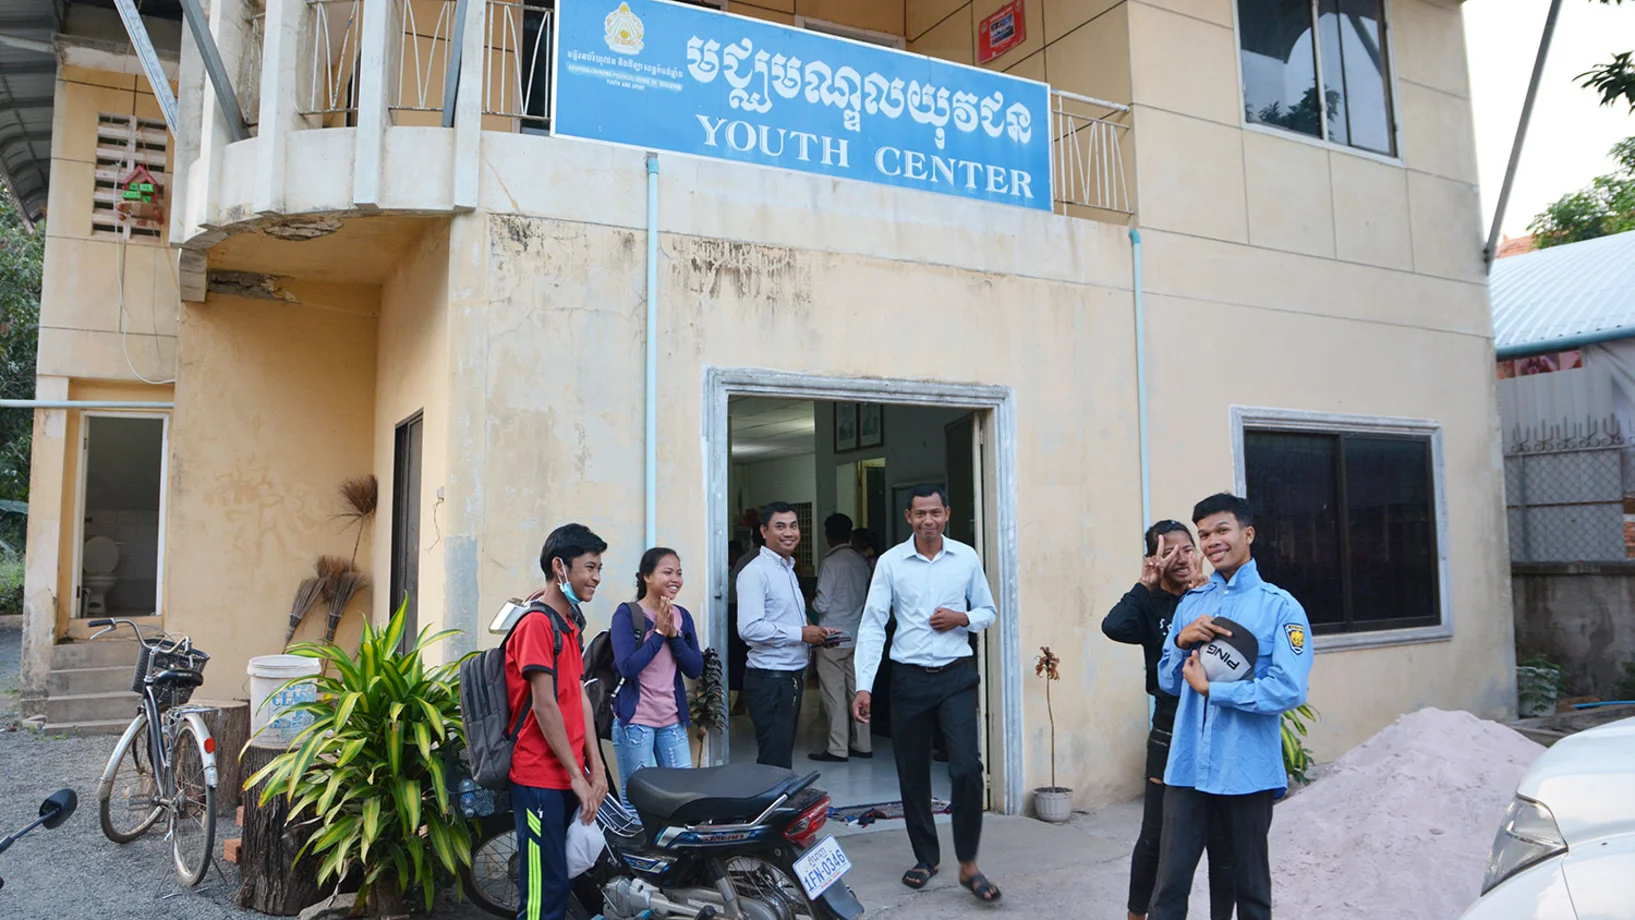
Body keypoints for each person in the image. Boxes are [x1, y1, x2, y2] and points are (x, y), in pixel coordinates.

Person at [1150, 494, 1313, 920]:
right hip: (1187, 767)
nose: (1211, 542)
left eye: (1221, 530)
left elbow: (1288, 689)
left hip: (1245, 770)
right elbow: (1168, 682)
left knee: (1250, 889)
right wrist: (1182, 640)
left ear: (1248, 533)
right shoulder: (1191, 603)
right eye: (1203, 534)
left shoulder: (1280, 607)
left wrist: (1215, 691)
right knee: (1169, 885)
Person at [853, 484, 1001, 903]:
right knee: (912, 772)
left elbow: (988, 611)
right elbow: (873, 623)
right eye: (920, 514)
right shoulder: (891, 563)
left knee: (967, 768)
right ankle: (926, 856)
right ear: (908, 517)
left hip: (956, 675)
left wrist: (962, 617)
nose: (928, 520)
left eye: (935, 512)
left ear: (947, 513)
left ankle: (969, 864)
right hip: (909, 680)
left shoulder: (966, 557)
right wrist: (864, 684)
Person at [1102, 521, 1232, 920]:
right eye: (1168, 551)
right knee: (1156, 834)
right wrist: (1145, 583)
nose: (1180, 557)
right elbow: (1114, 626)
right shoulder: (1150, 603)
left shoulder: (1215, 597)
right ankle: (1137, 914)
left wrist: (1205, 593)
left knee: (1221, 838)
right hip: (1169, 727)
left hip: (1217, 722)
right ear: (1154, 558)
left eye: (1187, 549)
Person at [507, 523, 611, 920]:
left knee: (566, 879)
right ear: (559, 567)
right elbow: (544, 706)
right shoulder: (537, 625)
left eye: (600, 568)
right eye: (589, 567)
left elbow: (579, 697)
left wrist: (596, 769)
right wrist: (576, 775)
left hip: (568, 775)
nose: (597, 577)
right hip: (538, 779)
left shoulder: (568, 623)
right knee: (542, 897)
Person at [737, 501, 837, 767]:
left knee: (780, 757)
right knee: (775, 760)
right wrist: (801, 633)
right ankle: (771, 808)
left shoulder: (787, 569)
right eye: (780, 527)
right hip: (770, 679)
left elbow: (786, 621)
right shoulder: (755, 573)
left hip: (790, 676)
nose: (789, 533)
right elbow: (749, 628)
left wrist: (817, 635)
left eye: (793, 526)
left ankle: (777, 805)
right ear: (763, 531)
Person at [610, 547, 705, 806]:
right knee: (637, 802)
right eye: (667, 572)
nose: (675, 579)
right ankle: (637, 848)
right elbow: (628, 667)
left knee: (683, 797)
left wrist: (674, 636)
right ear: (646, 577)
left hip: (672, 721)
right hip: (636, 723)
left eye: (679, 573)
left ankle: (671, 848)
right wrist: (659, 634)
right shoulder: (627, 614)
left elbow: (694, 668)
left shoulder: (682, 616)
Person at [809, 512, 873, 763]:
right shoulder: (860, 561)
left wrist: (810, 603)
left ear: (828, 535)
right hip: (857, 636)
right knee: (857, 692)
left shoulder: (831, 562)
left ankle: (838, 748)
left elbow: (823, 603)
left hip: (833, 638)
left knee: (834, 695)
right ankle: (863, 744)